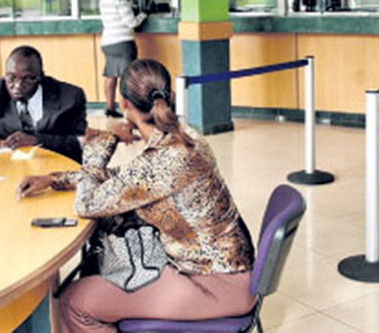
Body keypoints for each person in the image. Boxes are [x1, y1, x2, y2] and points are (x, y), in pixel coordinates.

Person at [16, 59, 255, 333]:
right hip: (224, 270)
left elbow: (87, 204)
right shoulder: (187, 136)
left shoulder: (163, 161)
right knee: (102, 265)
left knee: (73, 302)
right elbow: (127, 179)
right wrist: (55, 178)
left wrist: (102, 142)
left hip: (213, 285)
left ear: (124, 105)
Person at [99, 0, 146, 118]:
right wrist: (143, 15)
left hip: (107, 43)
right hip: (123, 43)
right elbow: (132, 23)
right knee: (128, 77)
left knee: (110, 75)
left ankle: (110, 108)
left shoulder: (103, 2)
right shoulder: (121, 3)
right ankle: (128, 109)